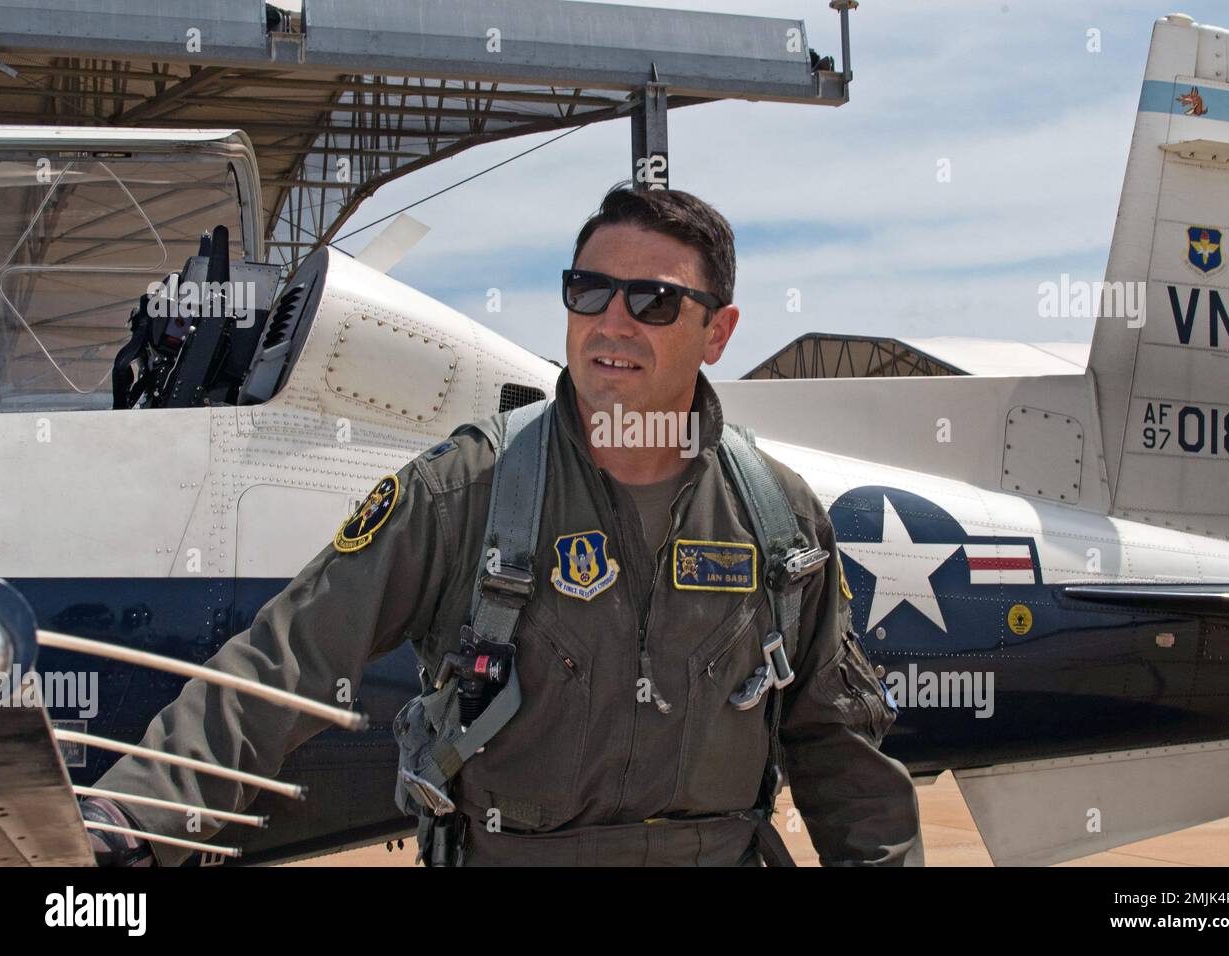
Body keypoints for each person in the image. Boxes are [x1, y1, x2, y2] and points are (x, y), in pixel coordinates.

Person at [88, 183, 922, 867]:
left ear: (718, 332)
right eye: (589, 290)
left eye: (656, 300)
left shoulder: (777, 518)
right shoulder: (466, 491)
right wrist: (130, 826)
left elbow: (837, 750)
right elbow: (285, 665)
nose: (613, 320)